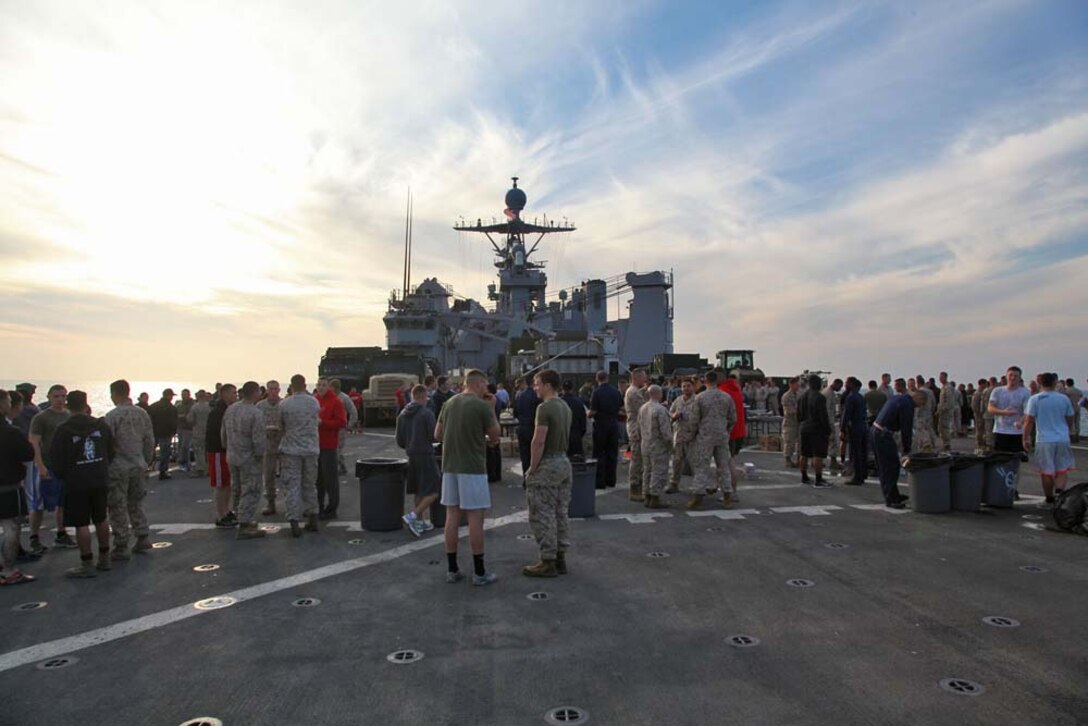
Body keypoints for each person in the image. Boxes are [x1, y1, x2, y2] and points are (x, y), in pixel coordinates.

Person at [435, 369, 501, 586]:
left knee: (452, 515)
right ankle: (479, 572)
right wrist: (491, 409)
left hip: (450, 466)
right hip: (472, 467)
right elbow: (495, 435)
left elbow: (437, 434)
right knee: (475, 517)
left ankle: (452, 569)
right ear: (480, 384)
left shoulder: (449, 403)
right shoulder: (482, 406)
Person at [48, 391, 113, 578]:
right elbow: (111, 450)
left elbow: (56, 459)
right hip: (99, 477)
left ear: (68, 405)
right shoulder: (101, 426)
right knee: (101, 517)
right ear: (86, 405)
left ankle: (87, 562)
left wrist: (63, 475)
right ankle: (105, 557)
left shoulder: (64, 430)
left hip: (76, 482)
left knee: (81, 523)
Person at [522, 369, 572, 577]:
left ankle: (547, 560)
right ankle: (560, 557)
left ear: (548, 385)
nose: (535, 387)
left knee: (542, 513)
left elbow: (539, 440)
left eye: (537, 383)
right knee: (560, 512)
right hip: (563, 462)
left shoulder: (544, 408)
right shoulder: (565, 406)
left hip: (548, 462)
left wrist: (532, 468)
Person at [103, 379, 154, 561]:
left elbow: (107, 444)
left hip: (119, 466)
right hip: (138, 464)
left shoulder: (112, 416)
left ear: (114, 393)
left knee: (117, 506)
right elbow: (149, 440)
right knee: (136, 502)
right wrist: (146, 461)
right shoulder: (142, 414)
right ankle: (142, 535)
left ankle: (121, 543)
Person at [28, 384, 74, 551]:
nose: (60, 399)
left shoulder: (69, 415)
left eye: (63, 396)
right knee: (39, 505)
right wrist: (40, 466)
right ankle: (34, 537)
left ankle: (61, 534)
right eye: (56, 396)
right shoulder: (41, 418)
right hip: (46, 465)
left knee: (62, 503)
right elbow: (34, 442)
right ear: (49, 397)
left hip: (63, 467)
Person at [276, 375, 321, 537]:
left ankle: (294, 521)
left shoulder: (285, 404)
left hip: (291, 450)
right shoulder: (314, 402)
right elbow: (316, 421)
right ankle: (313, 517)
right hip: (311, 449)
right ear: (304, 384)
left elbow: (281, 427)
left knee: (292, 486)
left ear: (292, 386)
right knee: (310, 484)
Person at [222, 381, 267, 540]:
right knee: (251, 489)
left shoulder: (231, 409)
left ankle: (241, 517)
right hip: (248, 457)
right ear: (255, 393)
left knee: (237, 488)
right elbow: (258, 439)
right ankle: (245, 524)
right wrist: (260, 455)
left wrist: (227, 448)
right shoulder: (255, 413)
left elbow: (223, 433)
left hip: (232, 455)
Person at [687, 370, 737, 510]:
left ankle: (698, 497)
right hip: (721, 436)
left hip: (705, 436)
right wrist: (726, 431)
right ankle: (727, 497)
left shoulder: (700, 398)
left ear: (705, 381)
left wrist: (692, 435)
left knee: (702, 466)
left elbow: (694, 420)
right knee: (724, 467)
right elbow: (733, 418)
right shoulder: (726, 397)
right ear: (717, 381)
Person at [1022, 372, 1075, 504]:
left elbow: (1029, 420)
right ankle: (1059, 491)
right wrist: (1066, 430)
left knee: (1046, 471)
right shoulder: (1063, 399)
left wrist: (1025, 437)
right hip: (1062, 438)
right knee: (1061, 469)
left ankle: (1049, 497)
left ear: (1040, 383)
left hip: (1044, 439)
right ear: (1054, 383)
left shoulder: (1035, 399)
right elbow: (1070, 417)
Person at [0, 390, 35, 585]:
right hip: (8, 486)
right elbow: (28, 453)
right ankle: (9, 570)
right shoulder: (10, 432)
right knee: (11, 527)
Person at [397, 384, 441, 537]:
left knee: (418, 490)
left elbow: (400, 440)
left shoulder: (403, 414)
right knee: (434, 489)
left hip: (411, 455)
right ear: (423, 396)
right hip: (425, 454)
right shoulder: (426, 413)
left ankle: (419, 522)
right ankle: (413, 516)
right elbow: (434, 436)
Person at [869, 379, 914, 509]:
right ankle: (891, 498)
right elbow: (906, 428)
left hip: (878, 431)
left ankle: (893, 494)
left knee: (888, 466)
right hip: (883, 434)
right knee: (889, 467)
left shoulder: (898, 399)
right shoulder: (907, 404)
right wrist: (907, 449)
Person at [988, 366, 1031, 498]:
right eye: (1010, 375)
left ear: (1019, 378)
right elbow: (990, 408)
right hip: (1000, 430)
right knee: (999, 460)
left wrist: (1021, 421)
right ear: (1006, 376)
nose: (1013, 378)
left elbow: (1027, 412)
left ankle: (1014, 488)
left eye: (1015, 376)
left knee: (1016, 462)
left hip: (1016, 433)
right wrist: (1004, 412)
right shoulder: (998, 391)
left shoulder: (1024, 392)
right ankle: (999, 485)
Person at [206, 384, 237, 527]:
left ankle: (226, 510)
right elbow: (219, 434)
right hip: (218, 451)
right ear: (224, 394)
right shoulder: (218, 412)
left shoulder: (225, 410)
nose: (235, 395)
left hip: (224, 451)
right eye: (232, 393)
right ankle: (220, 514)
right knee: (221, 484)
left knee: (226, 483)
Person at [637, 384, 673, 509]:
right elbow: (665, 431)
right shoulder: (660, 409)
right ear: (659, 394)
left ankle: (646, 495)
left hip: (645, 443)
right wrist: (670, 443)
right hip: (658, 445)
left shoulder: (642, 408)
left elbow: (638, 426)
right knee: (658, 471)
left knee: (647, 470)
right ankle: (655, 497)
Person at [315, 378, 347, 519]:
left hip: (328, 445)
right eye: (319, 385)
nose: (321, 388)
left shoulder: (335, 401)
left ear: (329, 387)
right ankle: (318, 506)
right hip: (315, 445)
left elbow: (341, 422)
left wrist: (323, 423)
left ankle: (332, 508)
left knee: (330, 479)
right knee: (317, 479)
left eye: (324, 385)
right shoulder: (314, 400)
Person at [588, 371, 623, 489]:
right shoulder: (616, 392)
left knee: (599, 453)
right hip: (613, 424)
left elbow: (593, 411)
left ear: (597, 379)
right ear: (607, 378)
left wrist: (588, 414)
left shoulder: (596, 392)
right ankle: (611, 480)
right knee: (612, 453)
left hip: (600, 425)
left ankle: (600, 481)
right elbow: (621, 408)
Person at [797, 374, 831, 488]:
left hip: (804, 427)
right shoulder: (819, 397)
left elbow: (799, 415)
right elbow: (823, 416)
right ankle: (818, 479)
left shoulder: (802, 396)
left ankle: (804, 476)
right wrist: (827, 429)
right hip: (816, 428)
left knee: (804, 454)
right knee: (818, 454)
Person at [255, 380, 283, 516]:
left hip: (283, 444)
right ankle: (270, 503)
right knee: (268, 475)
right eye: (270, 389)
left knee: (288, 475)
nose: (273, 391)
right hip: (267, 444)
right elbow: (256, 425)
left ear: (279, 390)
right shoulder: (260, 406)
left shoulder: (284, 405)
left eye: (275, 389)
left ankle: (291, 502)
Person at [622, 370, 650, 501]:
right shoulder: (633, 392)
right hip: (636, 429)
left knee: (639, 458)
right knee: (637, 459)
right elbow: (644, 409)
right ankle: (635, 488)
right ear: (636, 377)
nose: (645, 380)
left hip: (636, 427)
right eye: (643, 378)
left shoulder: (633, 391)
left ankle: (637, 487)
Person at [667, 378, 698, 494]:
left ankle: (698, 486)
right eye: (684, 386)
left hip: (692, 437)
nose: (686, 388)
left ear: (693, 387)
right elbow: (670, 413)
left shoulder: (697, 400)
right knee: (677, 461)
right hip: (679, 435)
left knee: (695, 463)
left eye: (688, 386)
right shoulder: (678, 400)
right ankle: (674, 483)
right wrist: (674, 416)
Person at [720, 374, 746, 502]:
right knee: (732, 460)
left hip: (727, 432)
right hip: (739, 430)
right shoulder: (736, 390)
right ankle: (732, 491)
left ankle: (731, 492)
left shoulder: (723, 391)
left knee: (727, 463)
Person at [513, 375, 540, 486]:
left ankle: (526, 479)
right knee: (535, 454)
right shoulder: (534, 395)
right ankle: (535, 478)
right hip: (533, 427)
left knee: (524, 456)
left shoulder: (518, 395)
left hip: (522, 427)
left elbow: (515, 412)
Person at [840, 377, 868, 485]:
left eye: (847, 383)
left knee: (855, 452)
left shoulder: (851, 397)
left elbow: (846, 414)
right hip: (862, 426)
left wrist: (842, 429)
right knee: (862, 452)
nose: (845, 384)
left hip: (855, 426)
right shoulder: (861, 397)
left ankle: (857, 477)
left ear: (852, 384)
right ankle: (863, 474)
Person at [146, 389, 178, 480]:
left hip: (154, 431)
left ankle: (147, 468)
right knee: (165, 453)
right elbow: (173, 421)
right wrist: (173, 431)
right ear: (168, 396)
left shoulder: (154, 406)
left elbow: (148, 418)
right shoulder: (171, 407)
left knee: (150, 451)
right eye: (171, 395)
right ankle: (163, 471)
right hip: (166, 433)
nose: (172, 397)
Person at [331, 378, 358, 475]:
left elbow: (353, 411)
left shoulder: (344, 398)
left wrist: (350, 424)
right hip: (331, 427)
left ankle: (340, 467)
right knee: (334, 448)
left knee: (337, 448)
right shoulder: (331, 398)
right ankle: (341, 466)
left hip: (340, 427)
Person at [559, 381, 587, 460]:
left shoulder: (558, 402)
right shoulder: (579, 402)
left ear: (562, 389)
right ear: (572, 389)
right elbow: (583, 423)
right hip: (575, 435)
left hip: (561, 437)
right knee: (577, 462)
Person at [821, 379, 843, 472]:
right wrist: (829, 422)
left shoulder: (827, 392)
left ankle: (819, 461)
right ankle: (833, 461)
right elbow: (827, 409)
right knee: (832, 442)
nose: (840, 388)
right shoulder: (829, 393)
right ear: (836, 384)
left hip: (827, 420)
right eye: (840, 386)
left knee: (824, 442)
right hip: (828, 421)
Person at [189, 390, 211, 477]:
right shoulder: (209, 406)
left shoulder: (194, 407)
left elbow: (191, 419)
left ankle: (200, 468)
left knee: (199, 451)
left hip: (198, 431)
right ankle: (208, 469)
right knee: (208, 451)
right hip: (208, 431)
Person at [781, 377, 800, 468]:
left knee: (800, 442)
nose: (798, 386)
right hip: (790, 422)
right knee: (789, 442)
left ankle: (799, 460)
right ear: (791, 384)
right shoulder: (786, 396)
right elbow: (789, 411)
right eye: (796, 384)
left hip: (798, 422)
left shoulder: (798, 395)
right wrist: (798, 411)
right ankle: (787, 459)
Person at [175, 389, 195, 473]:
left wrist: (184, 417)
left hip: (189, 428)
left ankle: (187, 463)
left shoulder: (193, 405)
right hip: (180, 428)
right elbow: (176, 415)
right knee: (181, 446)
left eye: (185, 394)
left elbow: (190, 417)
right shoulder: (179, 405)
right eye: (182, 394)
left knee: (185, 446)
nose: (184, 396)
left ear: (189, 395)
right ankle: (182, 462)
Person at [937, 372, 956, 452]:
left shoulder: (948, 388)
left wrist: (943, 409)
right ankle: (945, 443)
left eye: (942, 377)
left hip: (946, 411)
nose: (940, 379)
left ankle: (947, 444)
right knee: (941, 428)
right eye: (940, 377)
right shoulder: (943, 387)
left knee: (945, 428)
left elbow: (949, 401)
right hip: (942, 411)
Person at [1064, 378, 1083, 442]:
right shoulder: (1079, 391)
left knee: (1071, 424)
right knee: (1077, 423)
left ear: (1067, 383)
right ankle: (1077, 436)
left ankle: (1072, 437)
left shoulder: (1067, 391)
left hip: (1071, 408)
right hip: (1078, 408)